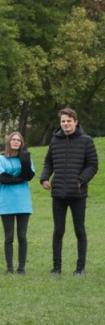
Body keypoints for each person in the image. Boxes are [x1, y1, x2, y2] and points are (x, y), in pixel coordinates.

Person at [40, 107, 98, 276]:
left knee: (79, 230)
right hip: (58, 194)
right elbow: (48, 162)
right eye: (63, 121)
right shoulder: (54, 141)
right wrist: (44, 178)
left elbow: (93, 165)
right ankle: (56, 268)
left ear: (75, 122)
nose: (66, 124)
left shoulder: (86, 141)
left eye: (69, 121)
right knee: (58, 231)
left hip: (78, 194)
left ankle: (80, 269)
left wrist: (81, 180)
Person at [0, 132, 34, 275]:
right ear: (8, 142)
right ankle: (9, 268)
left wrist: (24, 161)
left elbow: (29, 176)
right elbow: (2, 178)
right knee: (9, 236)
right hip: (7, 203)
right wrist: (20, 178)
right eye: (13, 139)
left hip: (23, 203)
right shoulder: (0, 159)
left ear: (21, 143)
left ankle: (21, 268)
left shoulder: (25, 158)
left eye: (19, 140)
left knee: (22, 236)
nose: (16, 142)